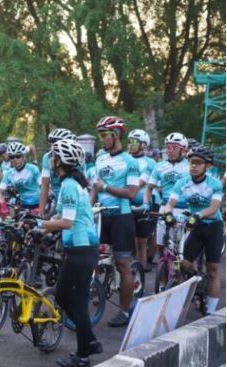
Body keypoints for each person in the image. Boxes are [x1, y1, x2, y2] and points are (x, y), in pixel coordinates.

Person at [35, 139, 102, 367]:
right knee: (62, 296)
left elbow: (67, 222)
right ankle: (89, 340)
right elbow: (59, 216)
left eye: (53, 156)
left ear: (61, 161)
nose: (50, 159)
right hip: (77, 249)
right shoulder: (69, 183)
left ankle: (83, 355)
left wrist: (40, 225)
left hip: (82, 250)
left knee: (78, 303)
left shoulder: (71, 185)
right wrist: (40, 224)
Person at [90, 116, 139, 328]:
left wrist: (105, 188)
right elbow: (94, 187)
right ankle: (98, 288)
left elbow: (131, 192)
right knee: (92, 257)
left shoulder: (130, 161)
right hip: (102, 216)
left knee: (122, 264)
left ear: (116, 134)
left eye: (104, 135)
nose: (101, 139)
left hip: (121, 216)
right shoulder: (100, 158)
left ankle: (125, 311)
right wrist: (86, 209)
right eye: (100, 135)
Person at [164, 145, 223, 315]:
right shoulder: (182, 182)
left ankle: (210, 313)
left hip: (213, 227)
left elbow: (214, 207)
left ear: (208, 166)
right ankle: (193, 284)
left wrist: (199, 214)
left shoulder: (215, 184)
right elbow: (170, 203)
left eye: (198, 163)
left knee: (212, 269)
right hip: (196, 226)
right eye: (191, 162)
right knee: (185, 264)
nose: (193, 166)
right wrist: (167, 214)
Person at [143, 133, 189, 250]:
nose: (170, 150)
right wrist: (146, 204)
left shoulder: (189, 167)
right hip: (164, 207)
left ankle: (190, 267)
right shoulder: (159, 166)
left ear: (183, 150)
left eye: (174, 147)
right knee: (160, 243)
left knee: (184, 248)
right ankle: (163, 266)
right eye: (168, 147)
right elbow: (149, 188)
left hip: (184, 208)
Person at [127, 129, 156, 272]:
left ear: (143, 145)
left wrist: (128, 192)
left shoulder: (150, 162)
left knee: (141, 242)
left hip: (141, 205)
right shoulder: (124, 159)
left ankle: (140, 276)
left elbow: (141, 182)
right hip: (125, 203)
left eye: (134, 141)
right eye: (129, 141)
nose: (130, 144)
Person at [39, 128, 77, 217]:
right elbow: (45, 185)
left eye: (55, 144)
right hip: (57, 202)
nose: (51, 147)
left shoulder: (76, 159)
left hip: (73, 202)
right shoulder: (47, 157)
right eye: (50, 143)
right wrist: (40, 212)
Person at [0, 142, 40, 218]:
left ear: (23, 157)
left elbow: (44, 188)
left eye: (18, 156)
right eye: (12, 157)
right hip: (23, 205)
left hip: (38, 204)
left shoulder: (33, 169)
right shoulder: (8, 173)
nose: (15, 159)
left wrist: (41, 208)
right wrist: (3, 205)